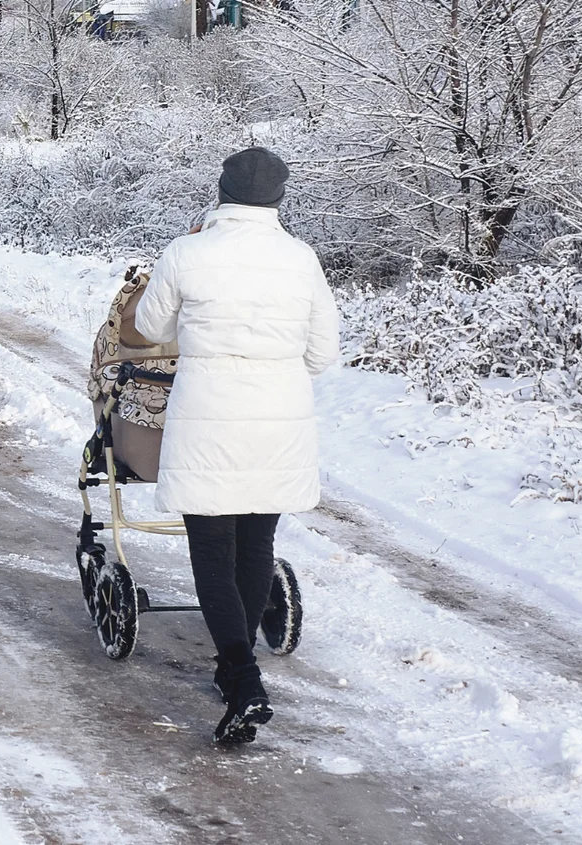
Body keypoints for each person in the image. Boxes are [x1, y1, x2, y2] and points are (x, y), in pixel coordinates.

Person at [134, 146, 340, 744]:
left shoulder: (188, 251)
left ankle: (244, 680)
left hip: (209, 413)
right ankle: (233, 673)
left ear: (221, 193)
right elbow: (322, 355)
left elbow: (149, 328)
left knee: (212, 550)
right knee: (255, 546)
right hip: (278, 417)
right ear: (279, 198)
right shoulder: (302, 260)